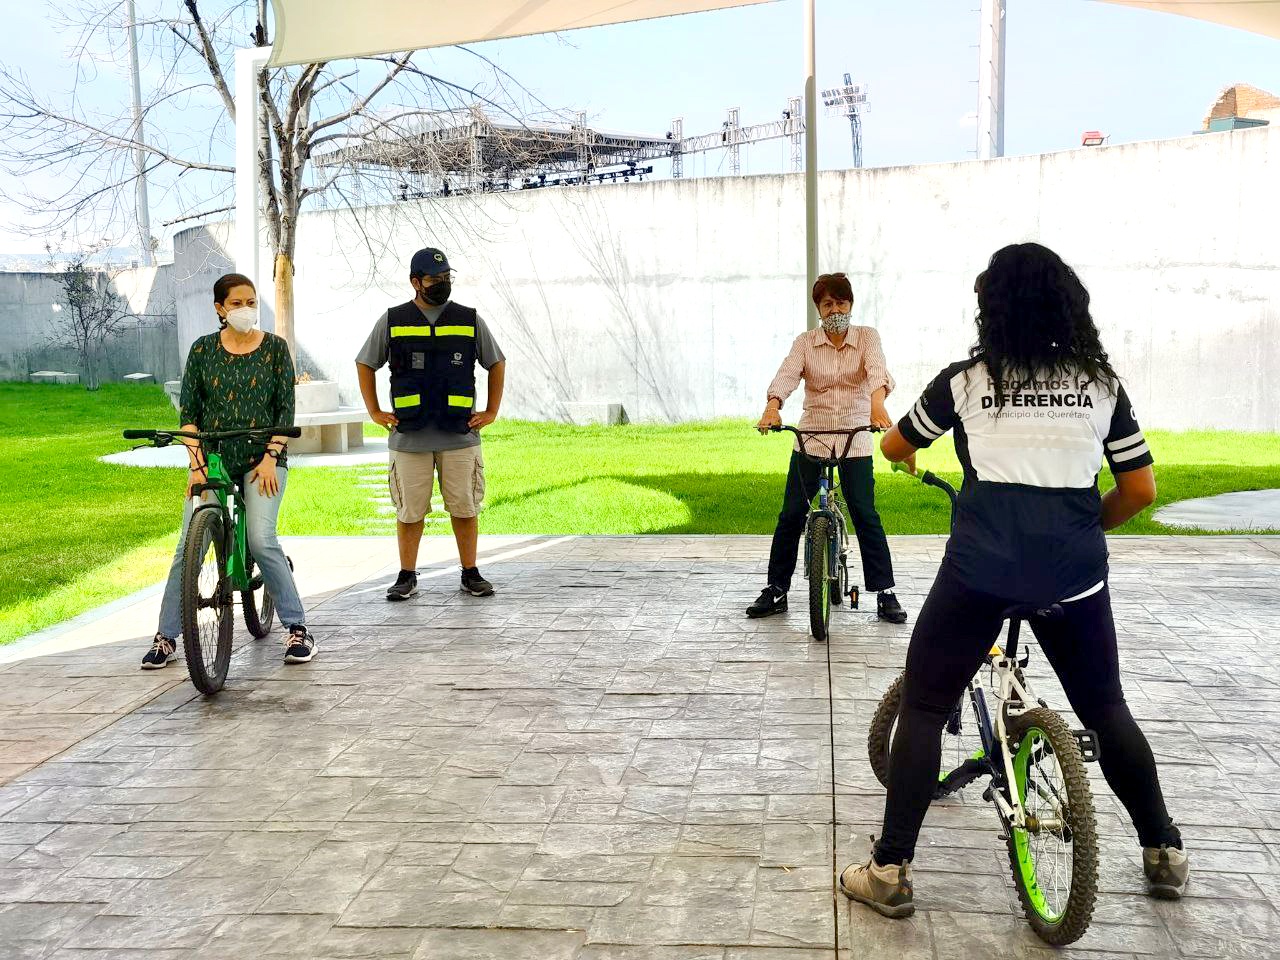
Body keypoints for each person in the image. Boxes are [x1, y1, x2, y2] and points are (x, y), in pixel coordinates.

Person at [839, 242, 1187, 918]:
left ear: (990, 310)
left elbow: (894, 445)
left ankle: (889, 870)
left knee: (925, 705)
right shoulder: (1101, 385)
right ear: (1069, 304)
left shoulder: (966, 381)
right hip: (1074, 577)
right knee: (1106, 710)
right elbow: (1140, 488)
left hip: (979, 574)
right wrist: (1083, 530)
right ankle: (1164, 850)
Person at [142, 274, 315, 669]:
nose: (245, 309)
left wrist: (271, 457)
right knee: (189, 546)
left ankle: (298, 629)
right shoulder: (203, 350)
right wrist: (197, 467)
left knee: (260, 538)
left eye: (251, 301)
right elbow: (190, 416)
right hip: (214, 461)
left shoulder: (274, 348)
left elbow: (283, 413)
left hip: (263, 461)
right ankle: (165, 638)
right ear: (220, 308)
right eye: (236, 303)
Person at [750, 272, 907, 624]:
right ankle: (776, 589)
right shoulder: (805, 343)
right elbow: (788, 374)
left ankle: (885, 593)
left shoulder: (867, 337)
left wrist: (877, 406)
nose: (835, 309)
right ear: (818, 310)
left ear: (850, 305)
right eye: (827, 304)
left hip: (856, 432)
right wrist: (773, 406)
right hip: (812, 434)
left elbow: (876, 372)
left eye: (841, 302)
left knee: (865, 513)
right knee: (791, 514)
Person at [355, 247, 506, 600]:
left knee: (465, 507)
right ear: (415, 282)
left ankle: (471, 573)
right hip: (410, 435)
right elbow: (365, 363)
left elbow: (496, 362)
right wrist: (375, 411)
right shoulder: (393, 319)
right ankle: (406, 575)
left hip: (459, 434)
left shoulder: (468, 319)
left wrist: (491, 410)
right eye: (434, 279)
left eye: (446, 278)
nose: (441, 284)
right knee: (410, 511)